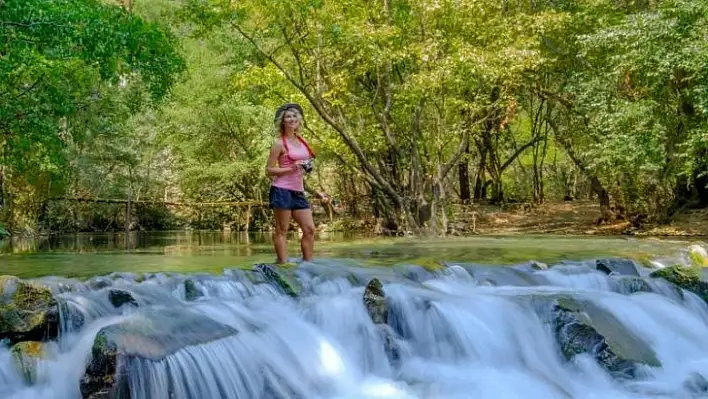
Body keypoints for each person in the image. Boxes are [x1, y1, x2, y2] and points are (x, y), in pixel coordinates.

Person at [265, 103, 328, 264]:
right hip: (281, 190)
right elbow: (269, 170)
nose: (292, 119)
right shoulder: (278, 143)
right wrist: (290, 168)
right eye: (288, 117)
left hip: (298, 191)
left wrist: (316, 192)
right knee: (282, 230)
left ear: (298, 120)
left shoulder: (303, 142)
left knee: (309, 229)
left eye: (294, 116)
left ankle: (308, 265)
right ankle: (283, 264)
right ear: (283, 121)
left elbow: (302, 171)